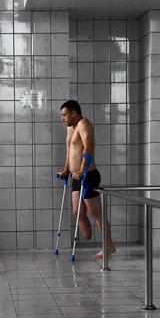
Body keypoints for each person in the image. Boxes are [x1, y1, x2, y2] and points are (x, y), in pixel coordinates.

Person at [56, 99, 116, 258]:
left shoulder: (84, 124)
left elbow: (88, 148)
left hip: (88, 175)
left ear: (74, 113)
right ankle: (88, 236)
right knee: (77, 211)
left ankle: (109, 246)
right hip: (75, 176)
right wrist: (66, 170)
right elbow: (69, 151)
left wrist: (82, 170)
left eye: (64, 115)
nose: (63, 118)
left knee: (96, 214)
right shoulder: (70, 128)